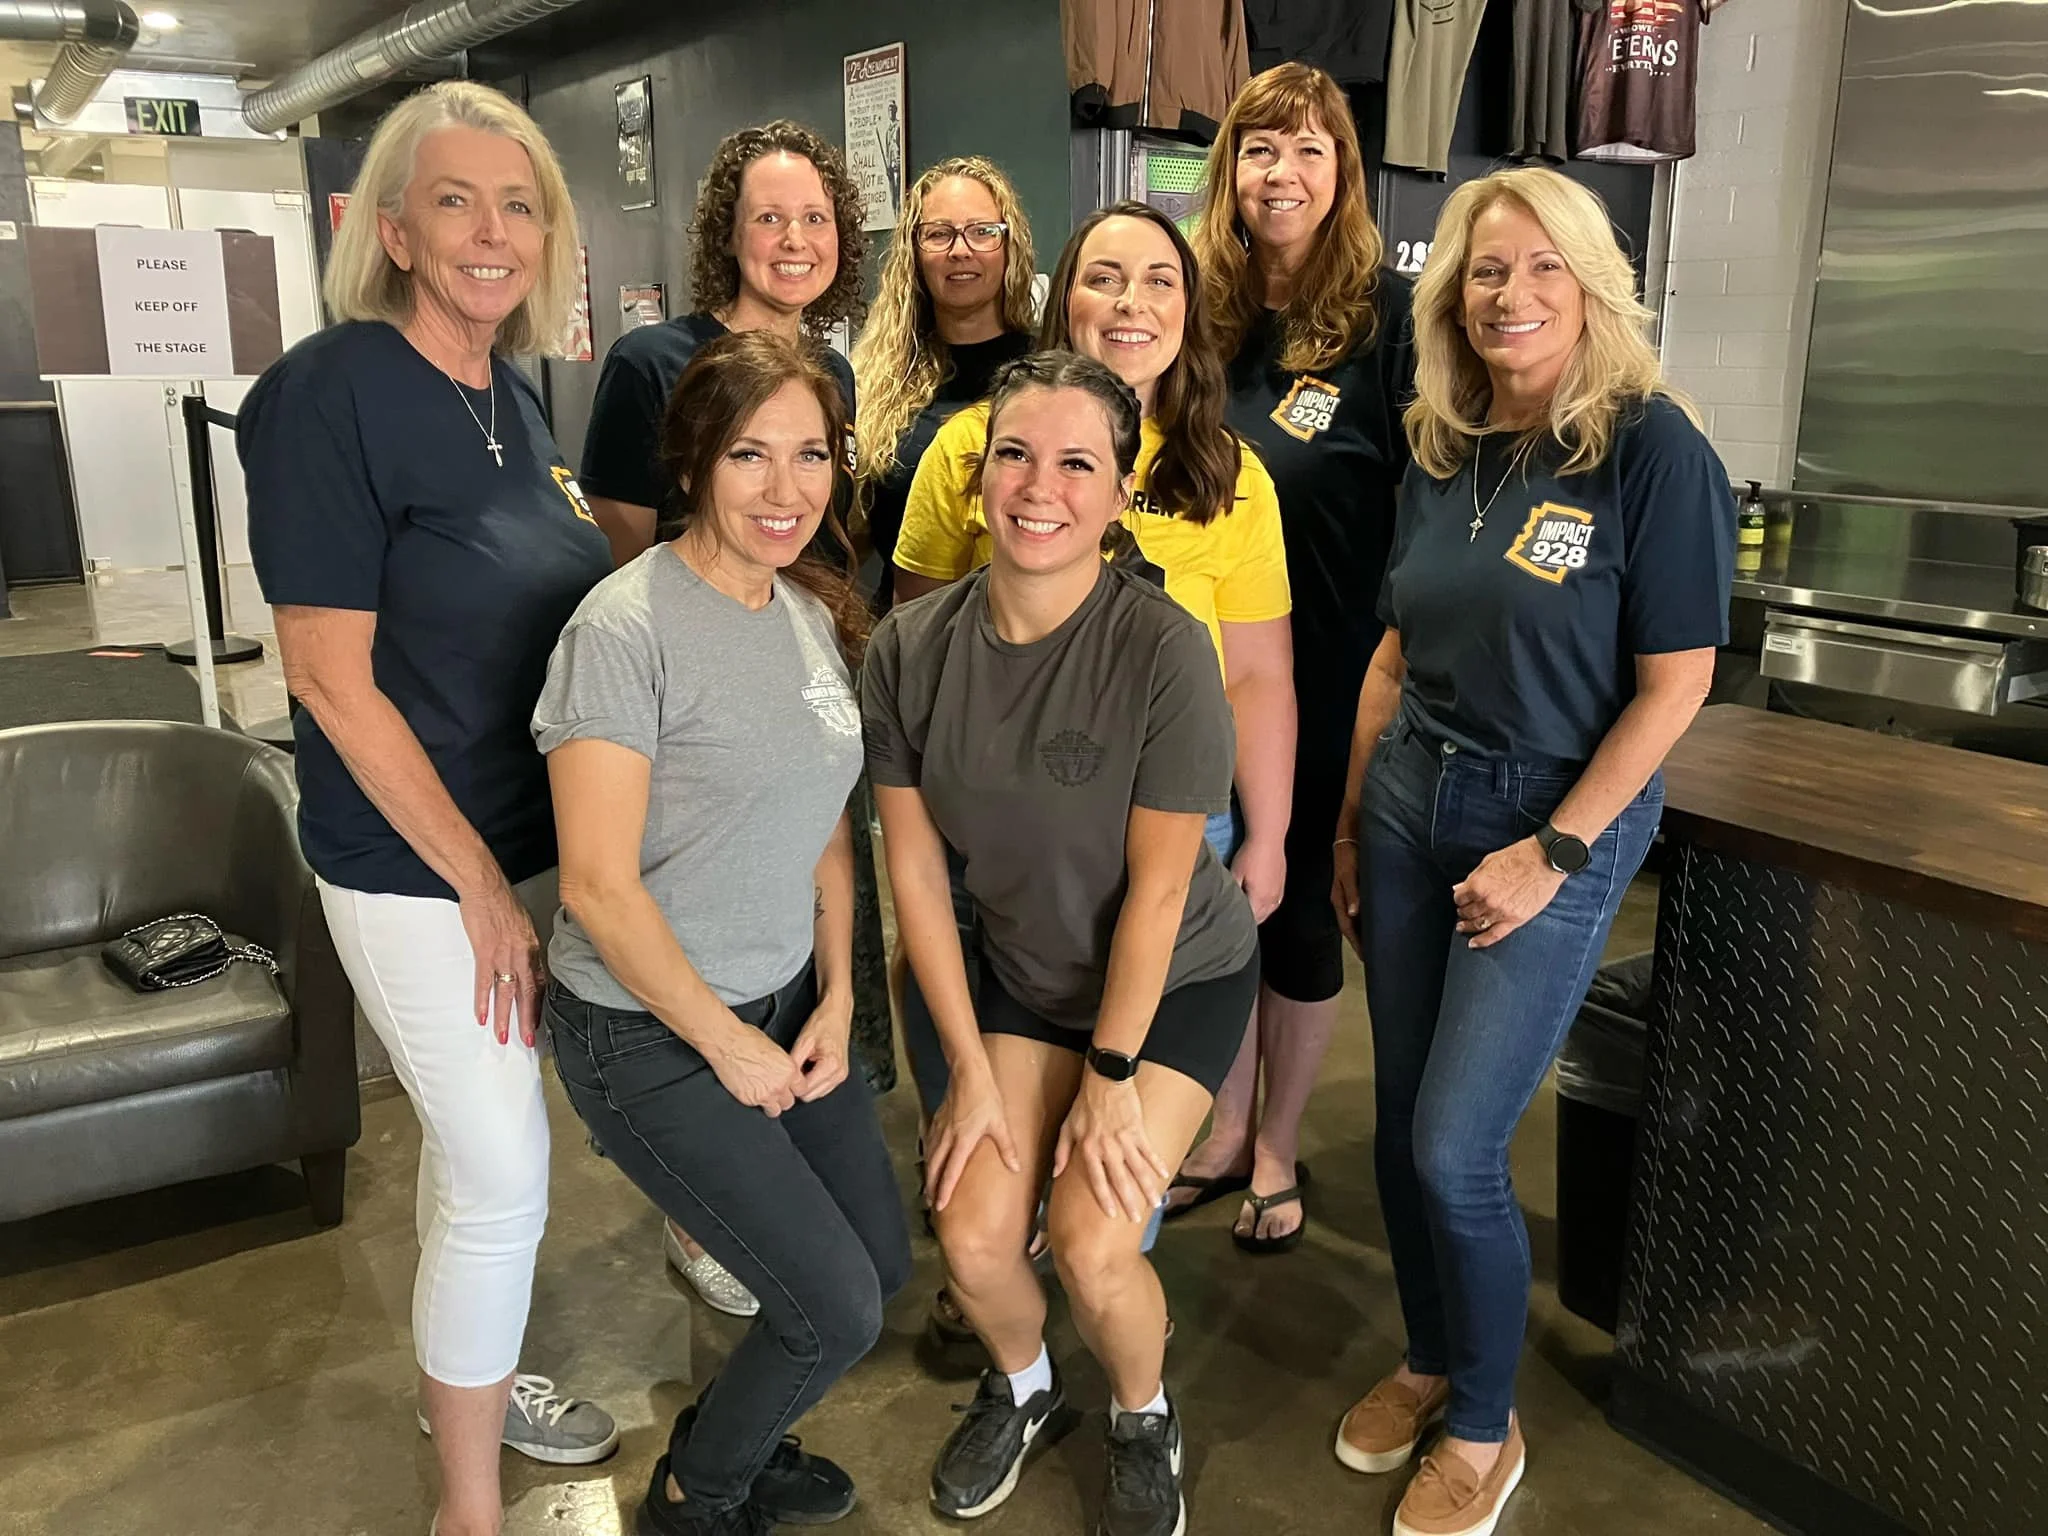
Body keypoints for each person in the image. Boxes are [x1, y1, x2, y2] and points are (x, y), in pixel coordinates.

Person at [236, 81, 619, 1536]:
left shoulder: (510, 391)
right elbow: (330, 680)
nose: (492, 232)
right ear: (388, 228)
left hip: (524, 844)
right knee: (509, 1163)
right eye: (455, 201)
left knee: (476, 1159)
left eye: (520, 205)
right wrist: (471, 881)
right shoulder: (329, 391)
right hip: (410, 863)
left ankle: (466, 1367)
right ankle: (468, 1505)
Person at [1328, 166, 1734, 1536]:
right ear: (1451, 294)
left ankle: (1487, 1428)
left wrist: (1554, 850)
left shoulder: (1651, 449)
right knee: (1395, 1127)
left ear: (1591, 282)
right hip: (1404, 800)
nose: (1512, 295)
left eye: (1542, 267)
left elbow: (1674, 684)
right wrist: (1347, 815)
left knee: (1455, 1148)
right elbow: (1393, 647)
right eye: (1486, 271)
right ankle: (1431, 1357)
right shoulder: (1443, 445)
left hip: (1553, 814)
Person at [866, 351, 1262, 1536]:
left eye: (1076, 461)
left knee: (1093, 1244)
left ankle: (1141, 1412)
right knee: (975, 1231)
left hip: (1171, 976)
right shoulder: (908, 649)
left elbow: (1152, 895)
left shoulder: (1161, 651)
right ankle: (1026, 1387)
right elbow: (916, 880)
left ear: (1119, 487)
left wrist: (1111, 1078)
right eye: (1015, 454)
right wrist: (967, 1072)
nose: (1040, 486)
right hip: (1021, 977)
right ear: (978, 473)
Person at [537, 330, 911, 1536]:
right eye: (752, 454)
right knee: (832, 1308)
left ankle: (731, 1432)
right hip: (643, 1033)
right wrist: (729, 1047)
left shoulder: (802, 610)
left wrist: (839, 995)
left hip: (787, 1001)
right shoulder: (623, 626)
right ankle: (696, 1499)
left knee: (874, 1268)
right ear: (695, 460)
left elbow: (820, 823)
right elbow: (596, 886)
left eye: (812, 455)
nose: (786, 488)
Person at [578, 119, 887, 1317]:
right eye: (769, 216)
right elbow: (621, 538)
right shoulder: (655, 360)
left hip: (807, 670)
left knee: (801, 922)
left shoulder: (837, 371)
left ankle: (796, 1155)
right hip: (693, 695)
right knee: (693, 924)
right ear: (728, 233)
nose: (793, 238)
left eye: (813, 217)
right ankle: (700, 1208)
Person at [1169, 61, 1417, 1252]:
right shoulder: (1201, 317)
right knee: (1213, 900)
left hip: (1324, 669)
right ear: (1229, 169)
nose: (1283, 172)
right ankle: (1216, 1133)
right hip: (1193, 675)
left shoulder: (1385, 324)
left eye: (1310, 149)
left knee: (1300, 908)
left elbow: (1429, 502)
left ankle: (1276, 1148)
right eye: (1261, 148)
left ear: (1343, 173)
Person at [851, 155, 1037, 611]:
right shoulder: (877, 381)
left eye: (982, 232)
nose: (960, 250)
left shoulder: (1051, 373)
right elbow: (847, 537)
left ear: (1009, 246)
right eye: (939, 234)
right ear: (914, 252)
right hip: (905, 634)